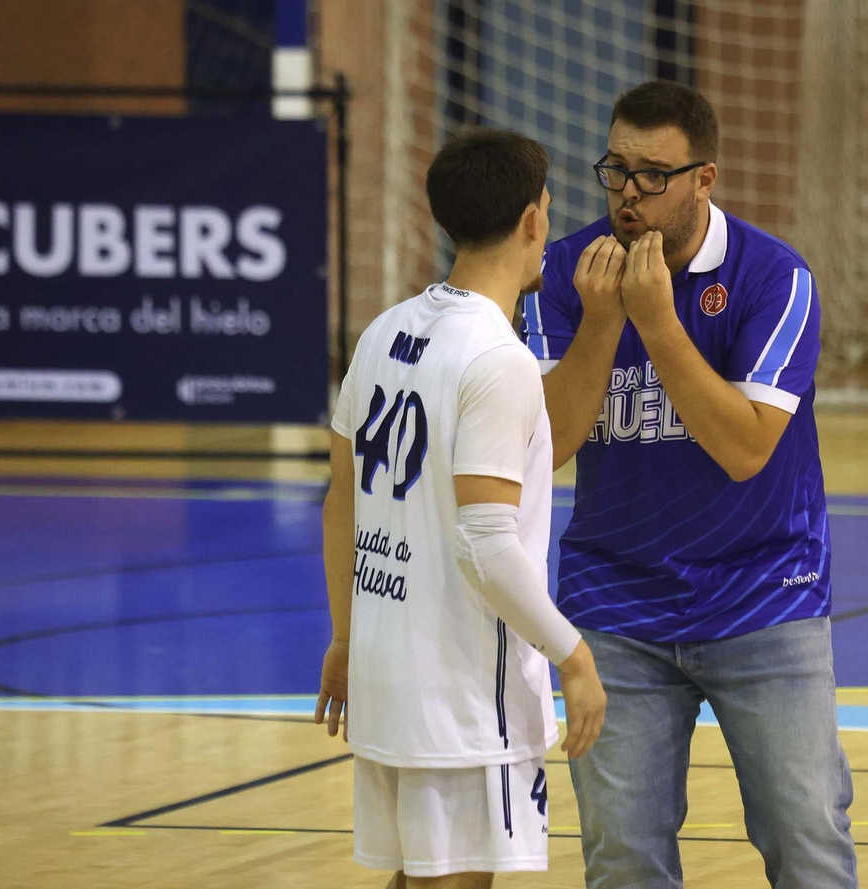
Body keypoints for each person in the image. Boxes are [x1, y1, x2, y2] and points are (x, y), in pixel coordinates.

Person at [524, 80, 856, 888]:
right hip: (616, 600)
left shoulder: (774, 277)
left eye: (652, 174)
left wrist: (658, 321)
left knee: (806, 838)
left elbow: (745, 448)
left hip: (764, 591)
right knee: (622, 855)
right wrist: (604, 322)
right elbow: (551, 445)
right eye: (616, 168)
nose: (628, 192)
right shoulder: (565, 272)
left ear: (704, 179)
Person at [315, 127, 608, 889]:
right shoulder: (499, 358)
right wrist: (572, 656)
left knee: (421, 876)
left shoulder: (383, 331)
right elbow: (486, 540)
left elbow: (340, 501)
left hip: (386, 663)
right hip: (462, 687)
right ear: (533, 220)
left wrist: (345, 636)